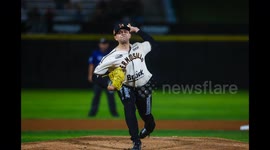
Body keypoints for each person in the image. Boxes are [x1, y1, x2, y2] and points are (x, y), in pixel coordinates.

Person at [92, 23, 157, 150]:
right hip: (125, 86)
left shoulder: (139, 47)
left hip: (144, 84)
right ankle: (136, 142)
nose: (123, 33)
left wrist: (137, 30)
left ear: (129, 34)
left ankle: (148, 129)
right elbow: (96, 75)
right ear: (115, 37)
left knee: (147, 117)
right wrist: (108, 86)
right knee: (129, 108)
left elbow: (152, 42)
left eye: (125, 31)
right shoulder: (111, 57)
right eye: (119, 32)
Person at [88, 38, 119, 117]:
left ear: (107, 45)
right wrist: (90, 75)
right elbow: (91, 64)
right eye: (102, 43)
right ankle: (92, 114)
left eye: (105, 43)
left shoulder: (111, 53)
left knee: (111, 97)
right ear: (99, 44)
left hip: (108, 78)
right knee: (96, 96)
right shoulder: (95, 53)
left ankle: (114, 113)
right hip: (98, 78)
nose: (103, 45)